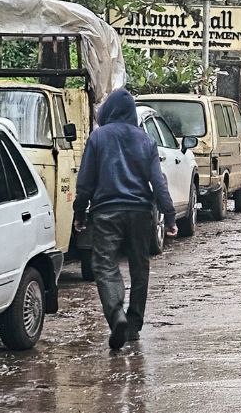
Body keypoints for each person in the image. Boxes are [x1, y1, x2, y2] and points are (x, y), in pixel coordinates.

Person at [73, 89, 176, 351]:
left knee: (104, 265)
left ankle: (116, 313)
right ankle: (133, 326)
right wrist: (170, 216)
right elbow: (158, 182)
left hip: (106, 212)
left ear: (108, 111)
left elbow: (85, 181)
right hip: (140, 213)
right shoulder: (146, 140)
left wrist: (80, 212)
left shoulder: (98, 137)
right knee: (140, 269)